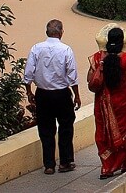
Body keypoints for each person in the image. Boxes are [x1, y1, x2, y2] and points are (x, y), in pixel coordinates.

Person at [24, 19, 81, 175]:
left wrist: (29, 91)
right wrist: (77, 95)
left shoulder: (36, 48)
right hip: (62, 93)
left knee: (46, 129)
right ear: (61, 32)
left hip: (43, 94)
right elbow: (72, 75)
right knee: (66, 127)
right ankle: (65, 161)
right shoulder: (66, 50)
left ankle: (49, 164)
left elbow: (28, 73)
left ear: (46, 32)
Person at [88, 27, 126, 179]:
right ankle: (122, 162)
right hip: (121, 102)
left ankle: (107, 167)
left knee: (103, 133)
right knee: (123, 131)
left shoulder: (97, 58)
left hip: (102, 103)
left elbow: (90, 80)